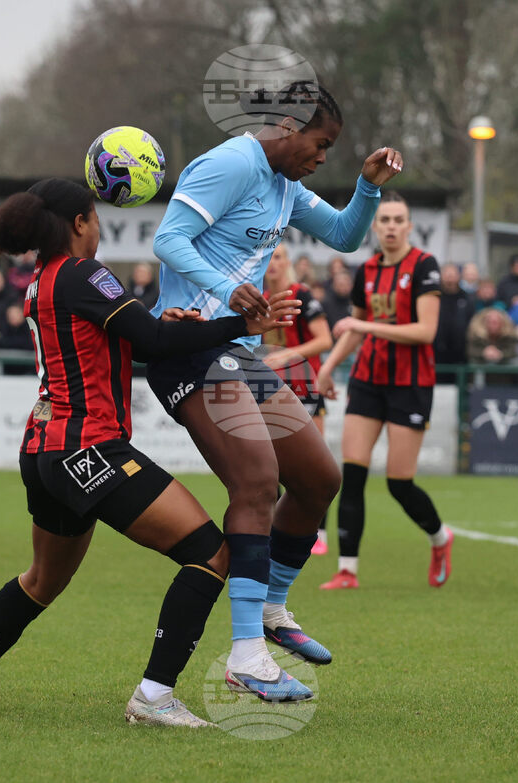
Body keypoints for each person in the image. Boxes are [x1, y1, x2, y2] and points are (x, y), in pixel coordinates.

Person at [0, 177, 301, 726]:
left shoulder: (42, 280)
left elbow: (126, 334)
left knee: (42, 580)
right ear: (80, 223)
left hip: (43, 451)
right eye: (97, 218)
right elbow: (151, 343)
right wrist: (240, 325)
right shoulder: (84, 273)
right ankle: (154, 695)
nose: (100, 227)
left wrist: (159, 324)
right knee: (212, 552)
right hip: (90, 448)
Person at [146, 79, 402, 700]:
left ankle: (270, 609)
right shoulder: (231, 163)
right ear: (287, 129)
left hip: (236, 351)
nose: (322, 157)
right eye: (321, 144)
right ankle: (245, 655)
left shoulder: (285, 186)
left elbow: (344, 236)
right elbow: (168, 240)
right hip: (189, 348)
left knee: (319, 476)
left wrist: (368, 185)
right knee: (259, 481)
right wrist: (226, 288)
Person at [315, 192, 452, 590]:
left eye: (399, 220)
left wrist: (365, 327)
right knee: (351, 474)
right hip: (368, 380)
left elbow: (425, 331)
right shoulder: (368, 270)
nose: (391, 226)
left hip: (411, 383)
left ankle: (440, 539)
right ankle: (348, 571)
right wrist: (326, 367)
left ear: (410, 226)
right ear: (374, 227)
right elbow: (356, 325)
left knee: (398, 482)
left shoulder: (425, 265)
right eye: (385, 220)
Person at [262, 243, 333, 555]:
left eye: (278, 257)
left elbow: (325, 339)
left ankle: (321, 533)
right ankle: (275, 531)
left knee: (314, 467)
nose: (272, 263)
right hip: (270, 393)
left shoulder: (301, 295)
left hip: (305, 388)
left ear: (287, 261)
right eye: (268, 257)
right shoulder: (258, 300)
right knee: (270, 466)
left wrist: (286, 356)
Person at [435, 262, 472, 380]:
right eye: (446, 273)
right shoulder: (434, 297)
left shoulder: (466, 298)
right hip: (437, 353)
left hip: (460, 354)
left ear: (459, 276)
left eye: (453, 273)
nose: (450, 276)